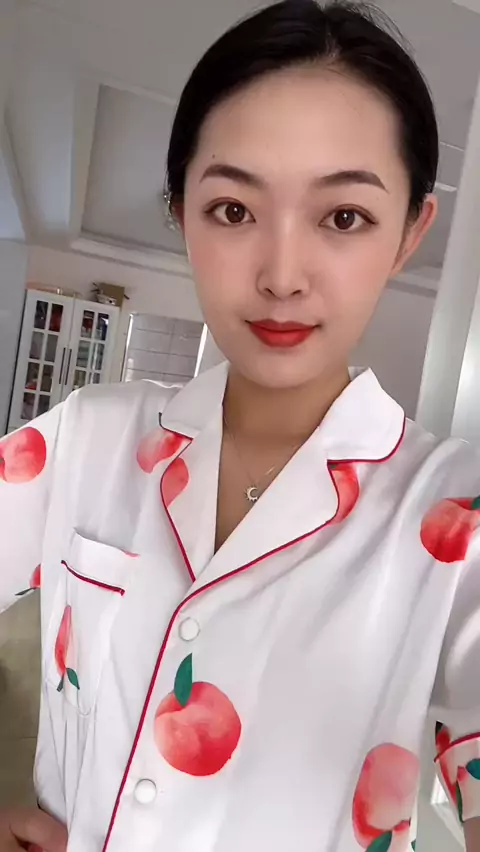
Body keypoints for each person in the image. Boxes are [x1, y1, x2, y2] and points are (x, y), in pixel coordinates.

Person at [1, 0, 479, 849]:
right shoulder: (87, 437)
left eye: (344, 217)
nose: (282, 276)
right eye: (232, 210)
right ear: (179, 209)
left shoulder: (455, 518)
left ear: (411, 232)